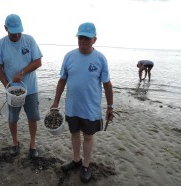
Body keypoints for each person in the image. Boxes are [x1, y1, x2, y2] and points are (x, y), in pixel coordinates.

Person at [50, 22, 114, 183]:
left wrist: (110, 106)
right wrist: (55, 102)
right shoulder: (69, 56)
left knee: (88, 136)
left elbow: (107, 84)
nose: (83, 41)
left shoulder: (100, 59)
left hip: (91, 109)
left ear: (94, 40)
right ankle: (76, 160)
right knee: (74, 134)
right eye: (80, 38)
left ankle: (85, 165)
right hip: (72, 107)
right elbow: (62, 81)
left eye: (87, 38)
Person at [0, 14, 43, 159]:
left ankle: (32, 145)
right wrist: (6, 87)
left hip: (31, 89)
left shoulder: (29, 40)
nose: (16, 35)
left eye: (18, 32)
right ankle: (15, 143)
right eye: (12, 32)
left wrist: (22, 72)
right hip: (12, 91)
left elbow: (38, 62)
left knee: (33, 117)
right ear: (5, 29)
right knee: (12, 118)